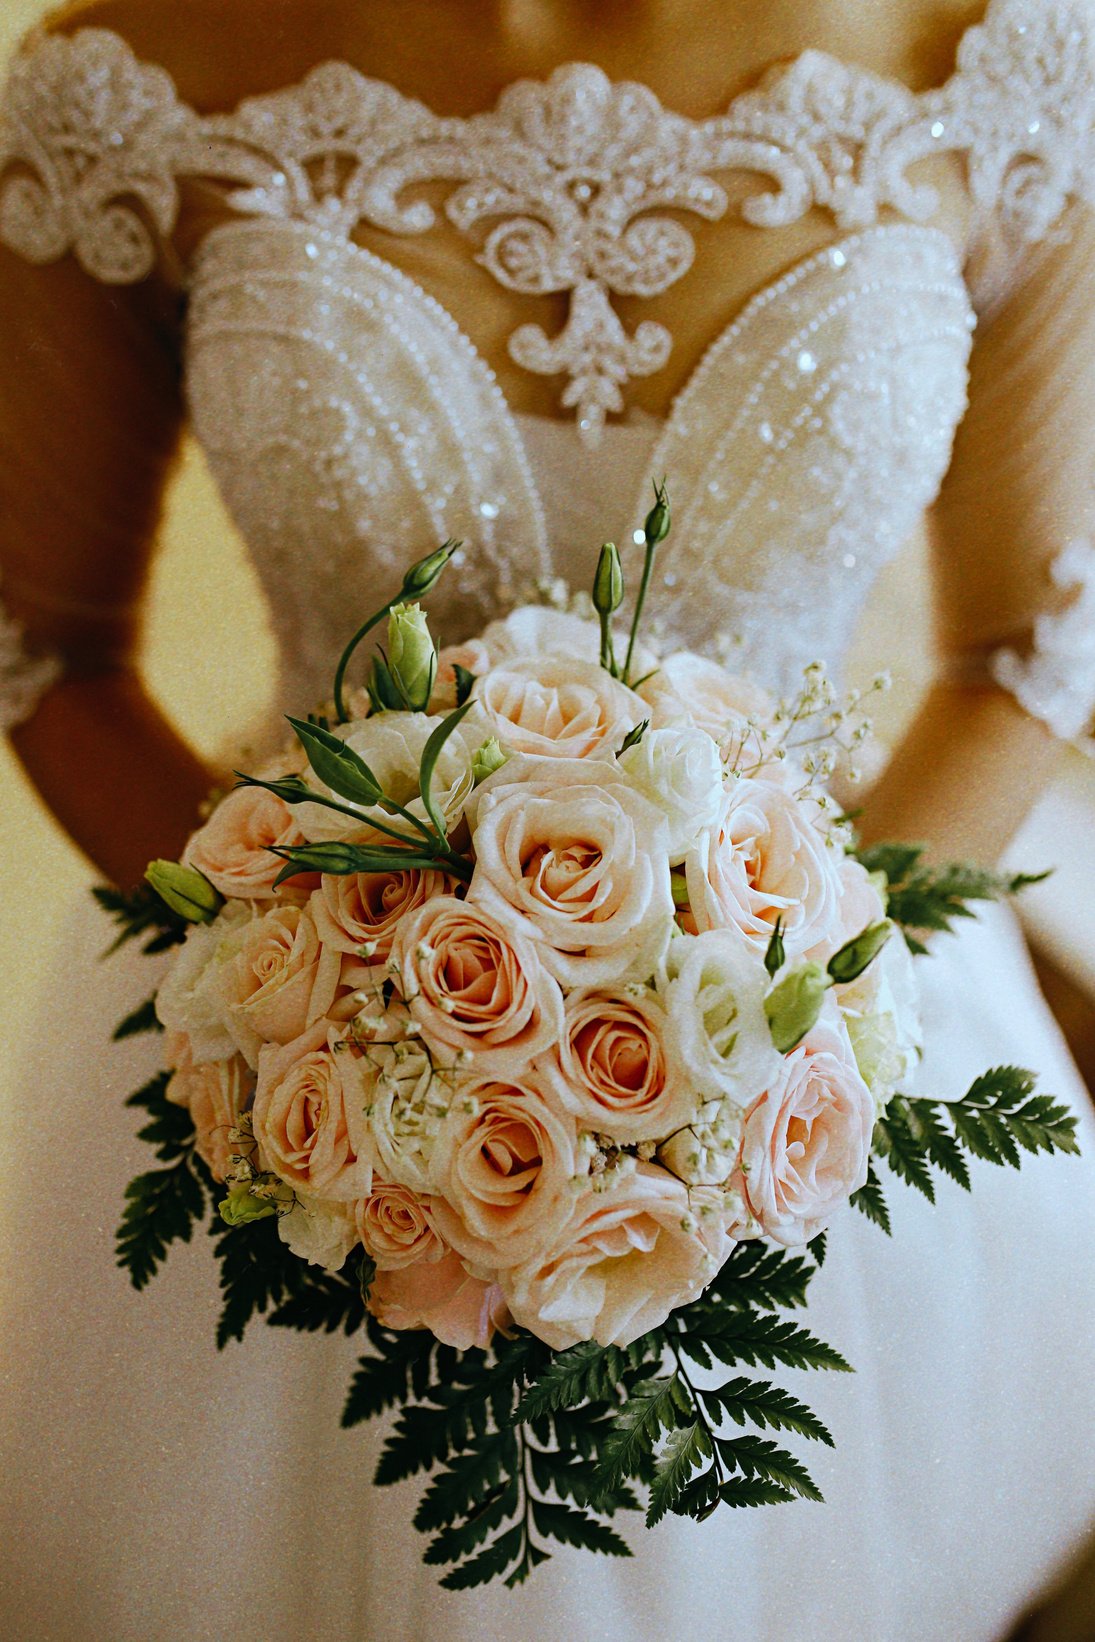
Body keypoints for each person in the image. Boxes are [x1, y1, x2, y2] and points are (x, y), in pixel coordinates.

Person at [1, 1, 1094, 1637]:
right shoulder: (133, 75)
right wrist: (332, 1008)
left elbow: (1033, 641)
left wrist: (761, 1064)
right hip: (304, 1093)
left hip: (814, 1053)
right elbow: (46, 642)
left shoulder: (994, 58)